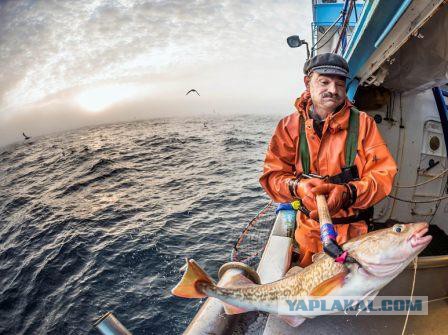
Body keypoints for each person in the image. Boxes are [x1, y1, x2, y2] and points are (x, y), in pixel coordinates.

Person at [260, 53, 398, 268]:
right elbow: (272, 177)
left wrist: (348, 193)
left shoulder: (364, 123)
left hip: (353, 239)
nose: (333, 90)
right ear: (308, 83)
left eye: (340, 84)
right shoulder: (288, 126)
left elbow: (383, 175)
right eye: (324, 82)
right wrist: (298, 186)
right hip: (307, 233)